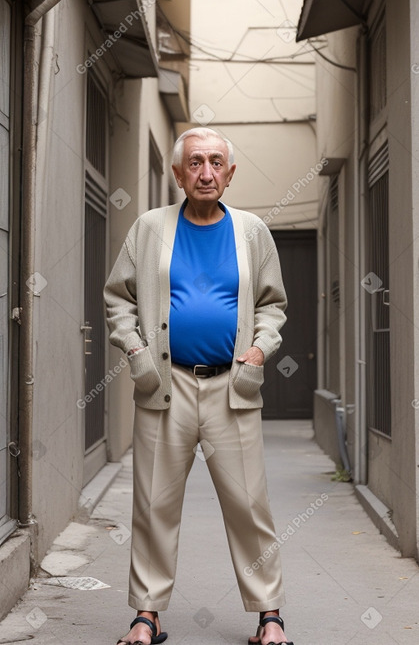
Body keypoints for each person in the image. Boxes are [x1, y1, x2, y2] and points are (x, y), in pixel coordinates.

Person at [104, 127, 294, 645]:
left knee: (249, 504)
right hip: (166, 388)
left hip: (233, 387)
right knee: (153, 503)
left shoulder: (252, 231)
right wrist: (137, 351)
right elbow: (117, 298)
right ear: (177, 173)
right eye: (194, 163)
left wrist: (259, 349)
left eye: (215, 163)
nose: (205, 172)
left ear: (230, 173)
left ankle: (269, 616)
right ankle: (147, 615)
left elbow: (274, 303)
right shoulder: (149, 228)